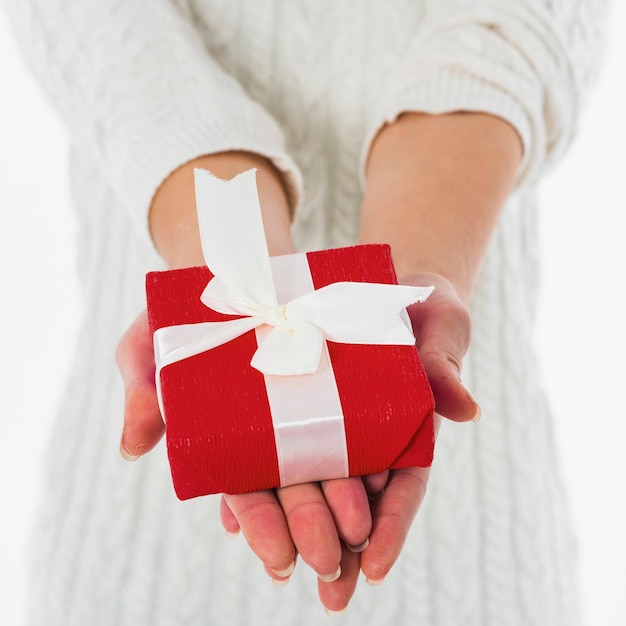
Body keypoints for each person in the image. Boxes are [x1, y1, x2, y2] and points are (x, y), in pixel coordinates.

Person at [4, 1, 608, 624]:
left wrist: (411, 274)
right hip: (129, 559)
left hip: (481, 544)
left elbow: (518, 25)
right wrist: (223, 256)